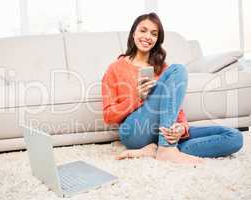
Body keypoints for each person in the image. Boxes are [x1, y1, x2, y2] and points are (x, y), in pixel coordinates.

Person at [101, 12, 243, 164]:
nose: (148, 36)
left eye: (154, 34)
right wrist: (137, 97)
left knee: (234, 137)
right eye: (143, 30)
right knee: (178, 69)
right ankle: (166, 149)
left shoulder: (162, 69)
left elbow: (176, 108)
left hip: (163, 131)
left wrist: (181, 128)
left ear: (157, 39)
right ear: (133, 33)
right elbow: (108, 116)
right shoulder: (115, 69)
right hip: (135, 131)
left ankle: (158, 149)